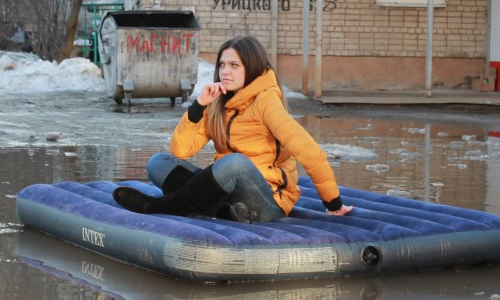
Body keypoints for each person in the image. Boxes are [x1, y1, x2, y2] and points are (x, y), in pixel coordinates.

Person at [112, 35, 353, 222]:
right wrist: (199, 106)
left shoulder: (266, 102)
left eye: (234, 65)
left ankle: (157, 207)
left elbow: (309, 151)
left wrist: (333, 203)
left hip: (265, 202)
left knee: (234, 163)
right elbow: (181, 150)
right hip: (227, 195)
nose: (225, 71)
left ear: (252, 67)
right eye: (222, 65)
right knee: (159, 162)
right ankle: (218, 210)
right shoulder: (218, 103)